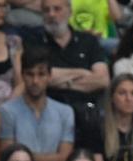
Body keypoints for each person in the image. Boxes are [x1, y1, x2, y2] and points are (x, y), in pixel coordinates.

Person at [27, 0, 109, 149]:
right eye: (46, 10)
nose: (52, 14)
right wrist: (82, 72)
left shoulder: (88, 41)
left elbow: (102, 80)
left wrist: (61, 80)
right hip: (47, 109)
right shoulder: (34, 41)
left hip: (86, 113)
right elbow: (38, 78)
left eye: (57, 9)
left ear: (69, 11)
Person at [0, 47, 73, 161]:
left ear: (50, 76)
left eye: (41, 74)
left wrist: (25, 158)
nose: (35, 81)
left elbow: (64, 160)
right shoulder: (7, 111)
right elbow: (8, 158)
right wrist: (52, 160)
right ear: (22, 75)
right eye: (30, 74)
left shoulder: (65, 112)